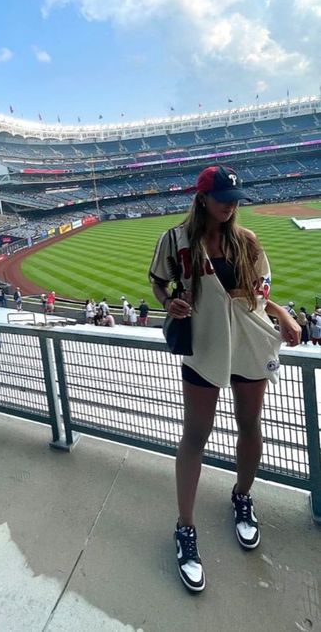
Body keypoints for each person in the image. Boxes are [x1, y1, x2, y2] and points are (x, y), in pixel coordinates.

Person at [149, 164, 300, 593]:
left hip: (248, 341)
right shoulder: (175, 241)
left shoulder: (247, 240)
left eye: (235, 200)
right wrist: (171, 300)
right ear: (202, 198)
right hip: (205, 343)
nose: (232, 207)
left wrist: (284, 313)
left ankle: (242, 497)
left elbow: (256, 297)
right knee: (194, 435)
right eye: (223, 199)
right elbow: (160, 284)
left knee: (250, 425)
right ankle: (184, 528)